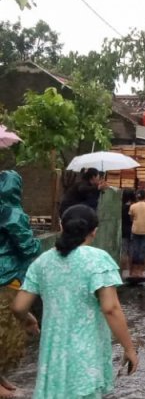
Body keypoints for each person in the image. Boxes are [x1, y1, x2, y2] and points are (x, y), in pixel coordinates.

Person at [11, 205, 139, 398]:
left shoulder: (43, 262)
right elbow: (111, 308)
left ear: (62, 226)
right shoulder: (98, 260)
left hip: (53, 358)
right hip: (86, 356)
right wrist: (129, 348)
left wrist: (29, 318)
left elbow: (19, 306)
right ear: (94, 231)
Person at [0, 170, 41, 398]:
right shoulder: (13, 213)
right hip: (9, 276)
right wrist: (36, 245)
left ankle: (1, 375)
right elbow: (26, 246)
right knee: (7, 329)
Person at [120, 188, 136, 274]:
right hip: (133, 229)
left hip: (123, 230)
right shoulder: (134, 207)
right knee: (131, 251)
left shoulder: (120, 206)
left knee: (123, 251)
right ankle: (131, 271)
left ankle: (122, 271)